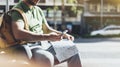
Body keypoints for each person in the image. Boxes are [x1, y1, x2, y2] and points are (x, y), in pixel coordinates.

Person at [10, 0, 82, 67]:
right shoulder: (18, 11)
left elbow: (47, 29)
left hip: (44, 45)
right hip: (29, 48)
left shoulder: (37, 10)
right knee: (47, 57)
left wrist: (62, 34)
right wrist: (47, 37)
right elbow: (18, 34)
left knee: (72, 50)